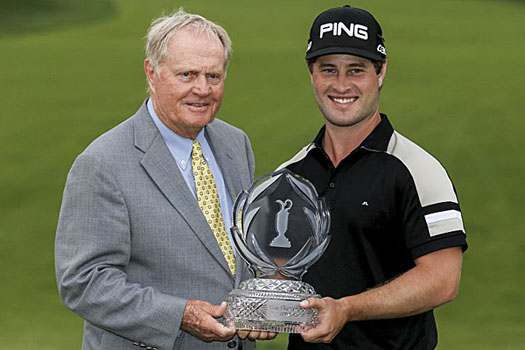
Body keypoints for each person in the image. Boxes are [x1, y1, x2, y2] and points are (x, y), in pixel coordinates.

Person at [55, 9, 274, 350]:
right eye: (187, 74)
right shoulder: (102, 163)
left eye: (213, 76)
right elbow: (83, 283)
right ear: (152, 73)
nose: (202, 89)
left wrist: (263, 299)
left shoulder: (236, 144)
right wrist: (179, 315)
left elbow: (235, 253)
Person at [278, 5, 468, 349]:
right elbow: (277, 271)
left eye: (356, 70)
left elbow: (443, 279)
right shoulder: (289, 176)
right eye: (328, 70)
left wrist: (347, 309)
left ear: (380, 73)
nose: (341, 85)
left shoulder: (418, 170)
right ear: (312, 74)